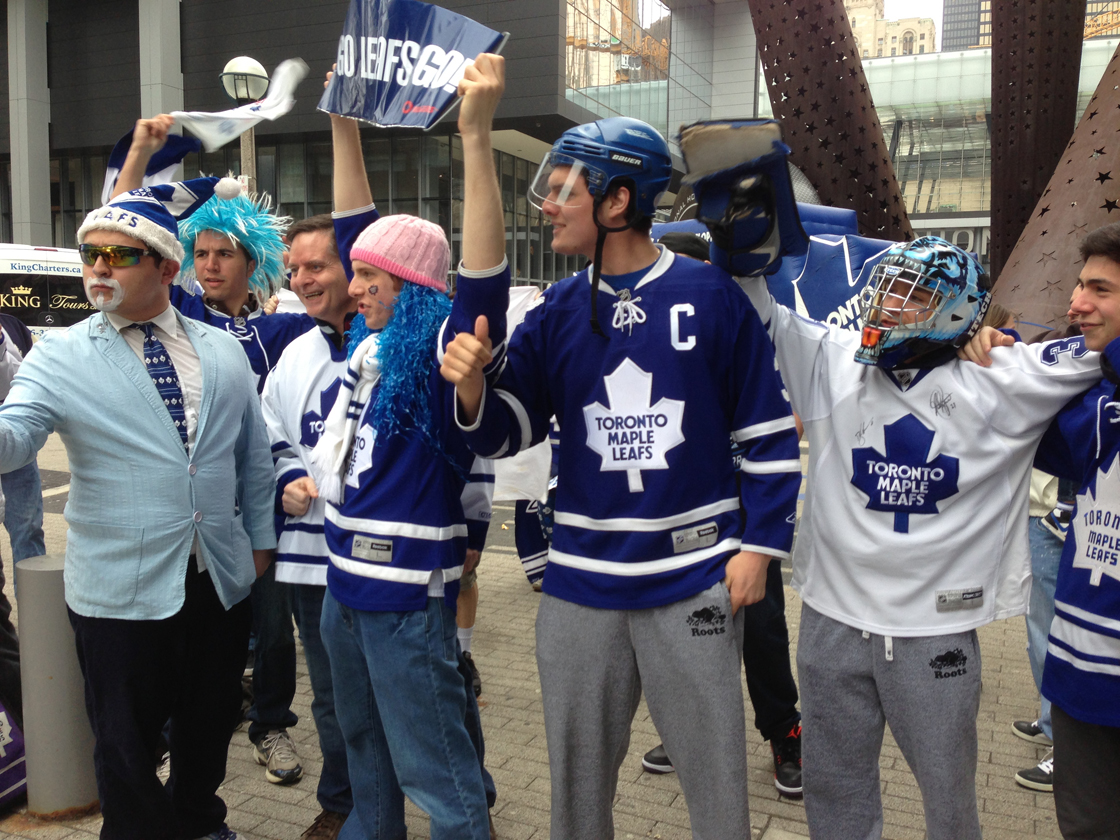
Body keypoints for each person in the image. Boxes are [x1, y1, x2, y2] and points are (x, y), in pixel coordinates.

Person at [440, 117, 803, 839]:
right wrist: (475, 388)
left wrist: (760, 548)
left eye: (561, 190)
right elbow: (507, 431)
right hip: (579, 586)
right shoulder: (557, 310)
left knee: (717, 783)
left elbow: (768, 437)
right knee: (576, 789)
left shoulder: (712, 296)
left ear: (616, 201)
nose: (546, 205)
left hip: (692, 576)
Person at [731, 218, 1104, 838]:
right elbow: (759, 310)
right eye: (890, 289)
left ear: (958, 312)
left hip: (937, 631)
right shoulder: (836, 358)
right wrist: (742, 246)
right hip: (831, 620)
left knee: (949, 797)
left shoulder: (1004, 376)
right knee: (834, 785)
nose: (892, 305)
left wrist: (995, 335)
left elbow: (1096, 347)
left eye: (916, 295)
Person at [0, 177, 276, 840]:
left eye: (119, 255)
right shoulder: (61, 355)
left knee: (209, 723)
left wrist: (260, 545)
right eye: (90, 253)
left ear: (164, 266)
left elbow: (252, 461)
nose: (98, 266)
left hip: (216, 578)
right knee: (124, 745)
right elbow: (13, 440)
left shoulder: (221, 350)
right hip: (116, 590)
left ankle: (199, 820)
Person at [299, 54, 507, 840]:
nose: (352, 286)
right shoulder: (371, 350)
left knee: (441, 778)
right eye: (352, 273)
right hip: (342, 593)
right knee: (365, 761)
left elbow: (482, 281)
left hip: (403, 604)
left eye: (366, 275)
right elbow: (359, 225)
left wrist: (477, 138)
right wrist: (341, 119)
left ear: (409, 286)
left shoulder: (439, 355)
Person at [113, 117, 316, 788]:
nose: (210, 264)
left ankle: (271, 726)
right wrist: (141, 154)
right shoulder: (180, 318)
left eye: (225, 253)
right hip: (189, 512)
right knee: (186, 633)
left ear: (251, 263)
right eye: (201, 253)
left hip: (266, 509)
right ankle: (179, 734)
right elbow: (126, 231)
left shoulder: (283, 329)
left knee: (274, 629)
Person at [638, 230, 804, 796]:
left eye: (688, 266)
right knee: (689, 626)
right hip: (683, 512)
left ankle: (784, 731)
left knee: (760, 627)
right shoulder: (653, 338)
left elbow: (790, 416)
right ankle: (687, 731)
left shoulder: (742, 319)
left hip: (746, 507)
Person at [992, 222, 1120, 839]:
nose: (1076, 303)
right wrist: (996, 352)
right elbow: (1021, 426)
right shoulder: (1096, 405)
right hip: (1082, 676)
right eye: (1078, 285)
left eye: (1100, 289)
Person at [0, 313, 46, 572]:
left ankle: (33, 608)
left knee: (27, 529)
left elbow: (27, 380)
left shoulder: (12, 325)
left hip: (15, 434)